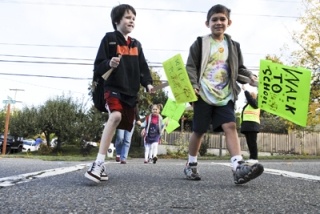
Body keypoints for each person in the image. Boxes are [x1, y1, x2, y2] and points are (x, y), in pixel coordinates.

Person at [184, 4, 264, 184]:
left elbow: (239, 69)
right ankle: (191, 164)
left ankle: (237, 167)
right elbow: (190, 66)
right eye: (214, 19)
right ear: (207, 23)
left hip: (225, 94)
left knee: (230, 126)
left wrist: (250, 76)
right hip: (203, 94)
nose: (218, 22)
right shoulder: (200, 43)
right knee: (199, 130)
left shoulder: (233, 46)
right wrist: (193, 85)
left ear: (229, 22)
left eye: (222, 19)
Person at [85, 4, 154, 183]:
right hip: (112, 88)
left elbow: (143, 70)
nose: (131, 20)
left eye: (133, 18)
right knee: (115, 116)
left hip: (130, 94)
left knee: (123, 125)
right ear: (117, 21)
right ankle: (98, 163)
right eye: (127, 17)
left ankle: (102, 166)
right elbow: (98, 66)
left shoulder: (136, 45)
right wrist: (109, 63)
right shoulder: (109, 39)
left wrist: (148, 84)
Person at [241, 84, 260, 164]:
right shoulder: (248, 105)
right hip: (247, 126)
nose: (249, 97)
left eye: (251, 96)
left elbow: (249, 99)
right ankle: (252, 157)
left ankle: (254, 158)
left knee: (252, 142)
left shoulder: (255, 104)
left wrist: (245, 90)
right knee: (249, 143)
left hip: (253, 126)